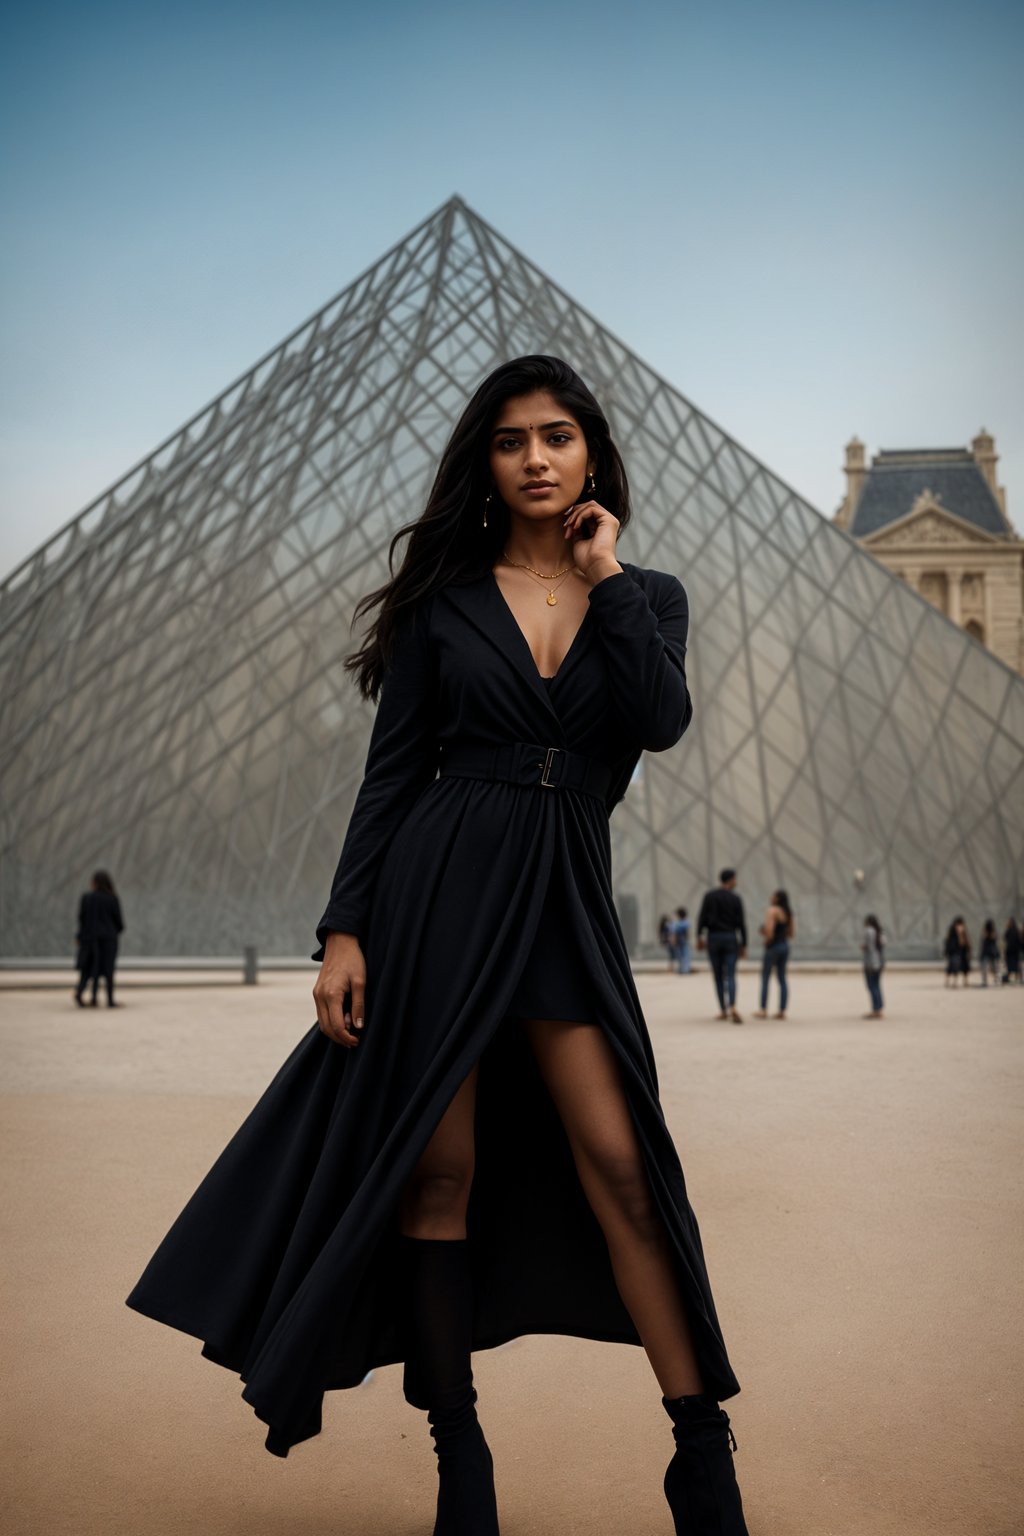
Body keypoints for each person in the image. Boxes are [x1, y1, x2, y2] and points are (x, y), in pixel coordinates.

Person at [125, 356, 747, 1536]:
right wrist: (344, 927)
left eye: (557, 437)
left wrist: (603, 572)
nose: (535, 458)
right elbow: (391, 775)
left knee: (621, 1164)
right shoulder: (442, 603)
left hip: (561, 894)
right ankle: (459, 1449)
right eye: (512, 441)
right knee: (437, 1170)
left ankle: (699, 1441)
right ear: (487, 461)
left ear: (592, 455)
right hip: (438, 893)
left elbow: (657, 722)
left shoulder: (645, 594)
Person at [696, 870, 747, 1024]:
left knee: (718, 976)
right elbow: (741, 923)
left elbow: (701, 917)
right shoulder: (736, 898)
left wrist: (699, 936)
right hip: (731, 937)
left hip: (714, 938)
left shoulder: (709, 896)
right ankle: (732, 1006)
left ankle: (723, 1010)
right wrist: (744, 943)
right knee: (730, 974)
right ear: (730, 880)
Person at [73, 869, 124, 1007]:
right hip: (108, 939)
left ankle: (86, 994)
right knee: (108, 970)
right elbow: (119, 923)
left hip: (90, 939)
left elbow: (82, 919)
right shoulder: (112, 899)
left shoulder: (87, 898)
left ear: (94, 882)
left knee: (90, 968)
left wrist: (79, 936)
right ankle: (110, 1000)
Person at [753, 890, 793, 1019]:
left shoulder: (772, 911)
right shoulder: (788, 913)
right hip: (784, 946)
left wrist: (766, 939)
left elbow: (770, 931)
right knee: (782, 978)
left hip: (773, 946)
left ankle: (763, 1009)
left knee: (765, 977)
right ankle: (782, 1011)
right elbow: (791, 933)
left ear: (777, 899)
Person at [861, 914, 885, 1018]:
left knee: (872, 986)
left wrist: (871, 964)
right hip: (880, 961)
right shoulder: (880, 932)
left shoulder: (869, 931)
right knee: (877, 986)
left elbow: (870, 948)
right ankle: (878, 1008)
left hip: (871, 963)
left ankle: (876, 1010)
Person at [943, 917, 971, 988]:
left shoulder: (963, 933)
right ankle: (951, 982)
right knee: (952, 967)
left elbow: (964, 943)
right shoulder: (952, 932)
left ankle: (965, 982)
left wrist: (960, 934)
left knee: (965, 968)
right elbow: (949, 943)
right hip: (954, 952)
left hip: (962, 952)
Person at [670, 906, 692, 975]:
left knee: (680, 955)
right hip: (683, 940)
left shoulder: (676, 923)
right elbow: (688, 932)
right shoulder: (686, 922)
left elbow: (674, 933)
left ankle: (682, 969)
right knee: (685, 955)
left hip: (679, 940)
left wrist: (673, 940)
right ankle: (685, 969)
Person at [978, 920, 1000, 988]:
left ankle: (996, 980)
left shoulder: (993, 932)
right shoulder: (985, 932)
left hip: (992, 952)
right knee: (985, 967)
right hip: (987, 952)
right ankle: (985, 981)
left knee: (994, 967)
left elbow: (995, 938)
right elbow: (983, 940)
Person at [1002, 917, 1022, 984]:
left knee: (1015, 965)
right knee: (1012, 965)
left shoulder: (1014, 930)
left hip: (1013, 951)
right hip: (1011, 951)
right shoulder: (1012, 930)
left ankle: (1017, 978)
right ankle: (1014, 978)